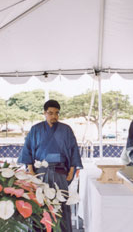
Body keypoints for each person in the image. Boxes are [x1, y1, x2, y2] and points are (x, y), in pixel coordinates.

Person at [18, 99, 83, 232]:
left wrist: (71, 172)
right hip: (40, 173)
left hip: (61, 172)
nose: (54, 116)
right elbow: (27, 150)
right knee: (40, 205)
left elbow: (73, 150)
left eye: (57, 113)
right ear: (44, 113)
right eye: (50, 113)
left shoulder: (66, 130)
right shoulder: (35, 129)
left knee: (62, 204)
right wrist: (31, 172)